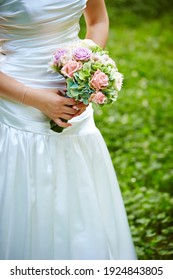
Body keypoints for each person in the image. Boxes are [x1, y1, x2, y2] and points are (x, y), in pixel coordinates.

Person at [0, 0, 137, 260]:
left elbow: (98, 21)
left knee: (79, 194)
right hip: (18, 101)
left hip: (74, 99)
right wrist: (36, 99)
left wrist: (85, 71)